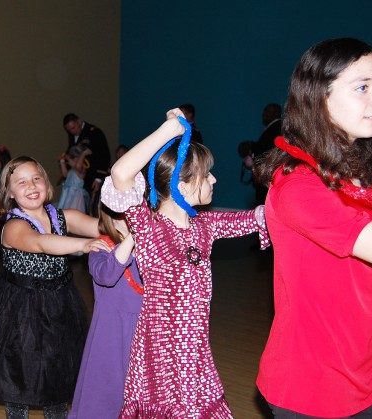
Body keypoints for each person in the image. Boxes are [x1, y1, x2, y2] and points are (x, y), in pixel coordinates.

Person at [254, 38, 372, 418]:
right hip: (309, 387)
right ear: (319, 97)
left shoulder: (367, 175)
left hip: (368, 376)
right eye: (362, 87)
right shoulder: (298, 187)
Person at [101, 109, 269, 417]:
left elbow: (257, 218)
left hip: (194, 349)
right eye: (207, 175)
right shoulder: (149, 226)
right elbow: (121, 174)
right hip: (160, 352)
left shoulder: (205, 225)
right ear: (182, 183)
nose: (214, 179)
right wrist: (169, 130)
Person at [0, 156, 110, 419]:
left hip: (59, 303)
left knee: (58, 366)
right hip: (20, 308)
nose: (32, 185)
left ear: (47, 185)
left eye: (36, 178)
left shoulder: (63, 216)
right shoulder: (14, 226)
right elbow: (41, 243)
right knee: (20, 371)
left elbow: (101, 226)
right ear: (9, 193)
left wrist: (125, 219)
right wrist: (82, 245)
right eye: (21, 182)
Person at [69, 203, 142, 419]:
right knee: (105, 388)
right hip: (111, 333)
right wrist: (132, 238)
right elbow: (106, 276)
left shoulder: (150, 249)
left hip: (144, 329)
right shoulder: (102, 247)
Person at [63, 113, 111, 216]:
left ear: (79, 121)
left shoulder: (94, 132)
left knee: (93, 205)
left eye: (73, 128)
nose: (72, 131)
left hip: (93, 174)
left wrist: (98, 178)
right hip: (80, 175)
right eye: (69, 130)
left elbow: (104, 155)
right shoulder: (72, 135)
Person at [249, 103, 282, 205]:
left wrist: (254, 156)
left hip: (267, 176)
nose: (264, 114)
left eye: (268, 111)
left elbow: (267, 150)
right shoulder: (276, 128)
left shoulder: (275, 129)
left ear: (276, 113)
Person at [57, 145, 91, 213]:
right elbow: (65, 174)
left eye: (74, 159)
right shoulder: (71, 171)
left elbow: (77, 166)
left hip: (76, 196)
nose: (70, 161)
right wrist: (62, 161)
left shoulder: (81, 169)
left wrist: (83, 154)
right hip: (68, 195)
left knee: (74, 212)